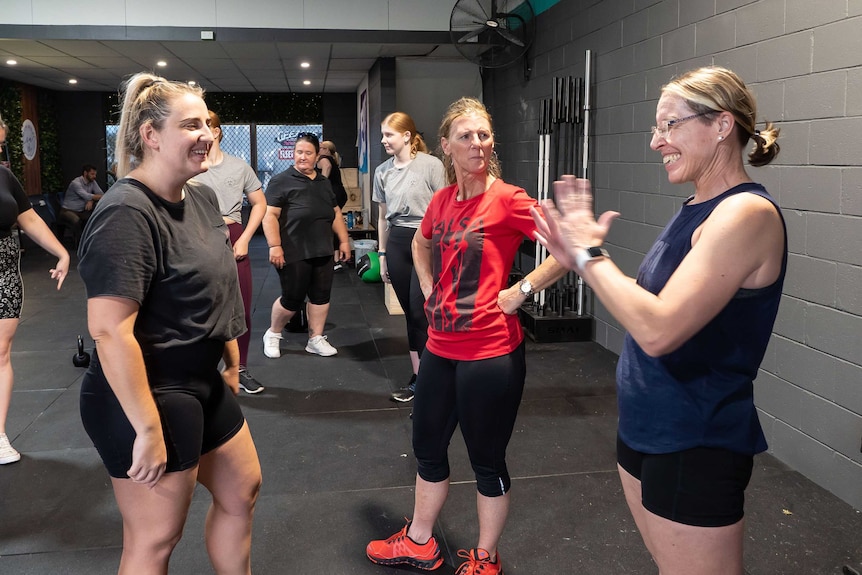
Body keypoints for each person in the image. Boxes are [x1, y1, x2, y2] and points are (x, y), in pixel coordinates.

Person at [531, 66, 785, 575]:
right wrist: (584, 256)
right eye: (655, 127)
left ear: (721, 126)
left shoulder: (745, 214)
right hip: (647, 423)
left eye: (669, 125)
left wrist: (588, 257)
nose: (656, 142)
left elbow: (659, 328)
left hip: (696, 436)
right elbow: (641, 310)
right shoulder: (696, 205)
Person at [366, 97, 566, 575]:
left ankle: (486, 558)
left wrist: (522, 289)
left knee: (486, 460)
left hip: (491, 352)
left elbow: (568, 248)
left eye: (483, 135)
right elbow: (419, 241)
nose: (477, 143)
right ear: (446, 146)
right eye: (466, 136)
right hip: (441, 348)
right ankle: (419, 541)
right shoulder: (441, 201)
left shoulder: (510, 199)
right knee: (428, 448)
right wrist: (430, 286)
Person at [77, 72, 262, 574]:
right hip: (147, 390)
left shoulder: (200, 198)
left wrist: (228, 359)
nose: (205, 133)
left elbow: (217, 288)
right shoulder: (126, 212)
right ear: (150, 135)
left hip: (202, 376)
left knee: (241, 490)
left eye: (207, 123)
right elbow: (109, 330)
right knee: (155, 538)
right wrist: (147, 428)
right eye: (189, 125)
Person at [0, 119, 69, 465]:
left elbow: (29, 219)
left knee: (1, 351)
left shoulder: (4, 176)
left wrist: (62, 251)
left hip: (4, 272)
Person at [192, 110, 268, 394]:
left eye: (205, 125)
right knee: (202, 308)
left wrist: (246, 237)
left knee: (241, 309)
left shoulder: (239, 167)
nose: (200, 131)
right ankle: (204, 372)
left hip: (234, 234)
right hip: (200, 236)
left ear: (218, 131)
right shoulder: (191, 168)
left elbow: (260, 203)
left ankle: (241, 368)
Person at [373, 112, 446, 403]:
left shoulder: (431, 166)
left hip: (426, 240)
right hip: (397, 242)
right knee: (410, 314)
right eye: (382, 134)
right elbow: (381, 218)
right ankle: (419, 378)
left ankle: (434, 375)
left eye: (388, 134)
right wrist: (381, 255)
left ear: (406, 136)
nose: (383, 140)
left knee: (421, 311)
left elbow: (445, 209)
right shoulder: (382, 171)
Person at [261, 133, 350, 359]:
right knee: (292, 298)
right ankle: (273, 333)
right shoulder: (281, 181)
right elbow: (270, 215)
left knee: (321, 296)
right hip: (292, 249)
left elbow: (335, 212)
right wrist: (274, 246)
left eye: (307, 153)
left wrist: (344, 241)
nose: (302, 157)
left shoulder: (323, 182)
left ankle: (315, 339)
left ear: (316, 154)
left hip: (322, 248)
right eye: (299, 152)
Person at [60, 164, 104, 232]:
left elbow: (100, 194)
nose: (94, 176)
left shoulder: (92, 182)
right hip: (67, 210)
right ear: (85, 173)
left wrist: (91, 201)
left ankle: (87, 239)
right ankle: (79, 241)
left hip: (80, 211)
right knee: (76, 220)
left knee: (91, 219)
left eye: (95, 174)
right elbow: (86, 196)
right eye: (92, 174)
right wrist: (92, 198)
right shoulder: (76, 183)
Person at [317, 140, 347, 209]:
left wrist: (321, 184)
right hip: (338, 193)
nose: (318, 150)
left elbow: (327, 166)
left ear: (326, 149)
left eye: (320, 148)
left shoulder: (324, 159)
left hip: (332, 194)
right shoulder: (331, 159)